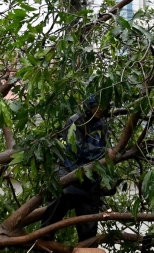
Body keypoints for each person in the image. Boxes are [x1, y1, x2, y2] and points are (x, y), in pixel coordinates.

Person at [39, 96, 110, 242]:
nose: (100, 109)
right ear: (89, 106)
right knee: (64, 194)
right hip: (70, 169)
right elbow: (77, 150)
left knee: (90, 211)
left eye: (103, 106)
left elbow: (106, 150)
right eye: (96, 106)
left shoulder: (102, 125)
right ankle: (45, 233)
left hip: (91, 176)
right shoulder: (76, 121)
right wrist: (105, 152)